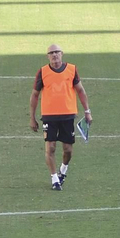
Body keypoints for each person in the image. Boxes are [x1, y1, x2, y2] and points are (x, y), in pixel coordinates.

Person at [29, 44, 91, 191]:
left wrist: (87, 111)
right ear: (47, 56)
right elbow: (35, 95)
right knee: (50, 147)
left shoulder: (72, 70)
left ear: (62, 53)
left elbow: (80, 91)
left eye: (56, 52)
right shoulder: (42, 72)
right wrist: (32, 117)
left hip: (68, 115)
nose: (54, 55)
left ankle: (63, 170)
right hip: (49, 117)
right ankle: (54, 179)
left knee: (68, 150)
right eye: (51, 53)